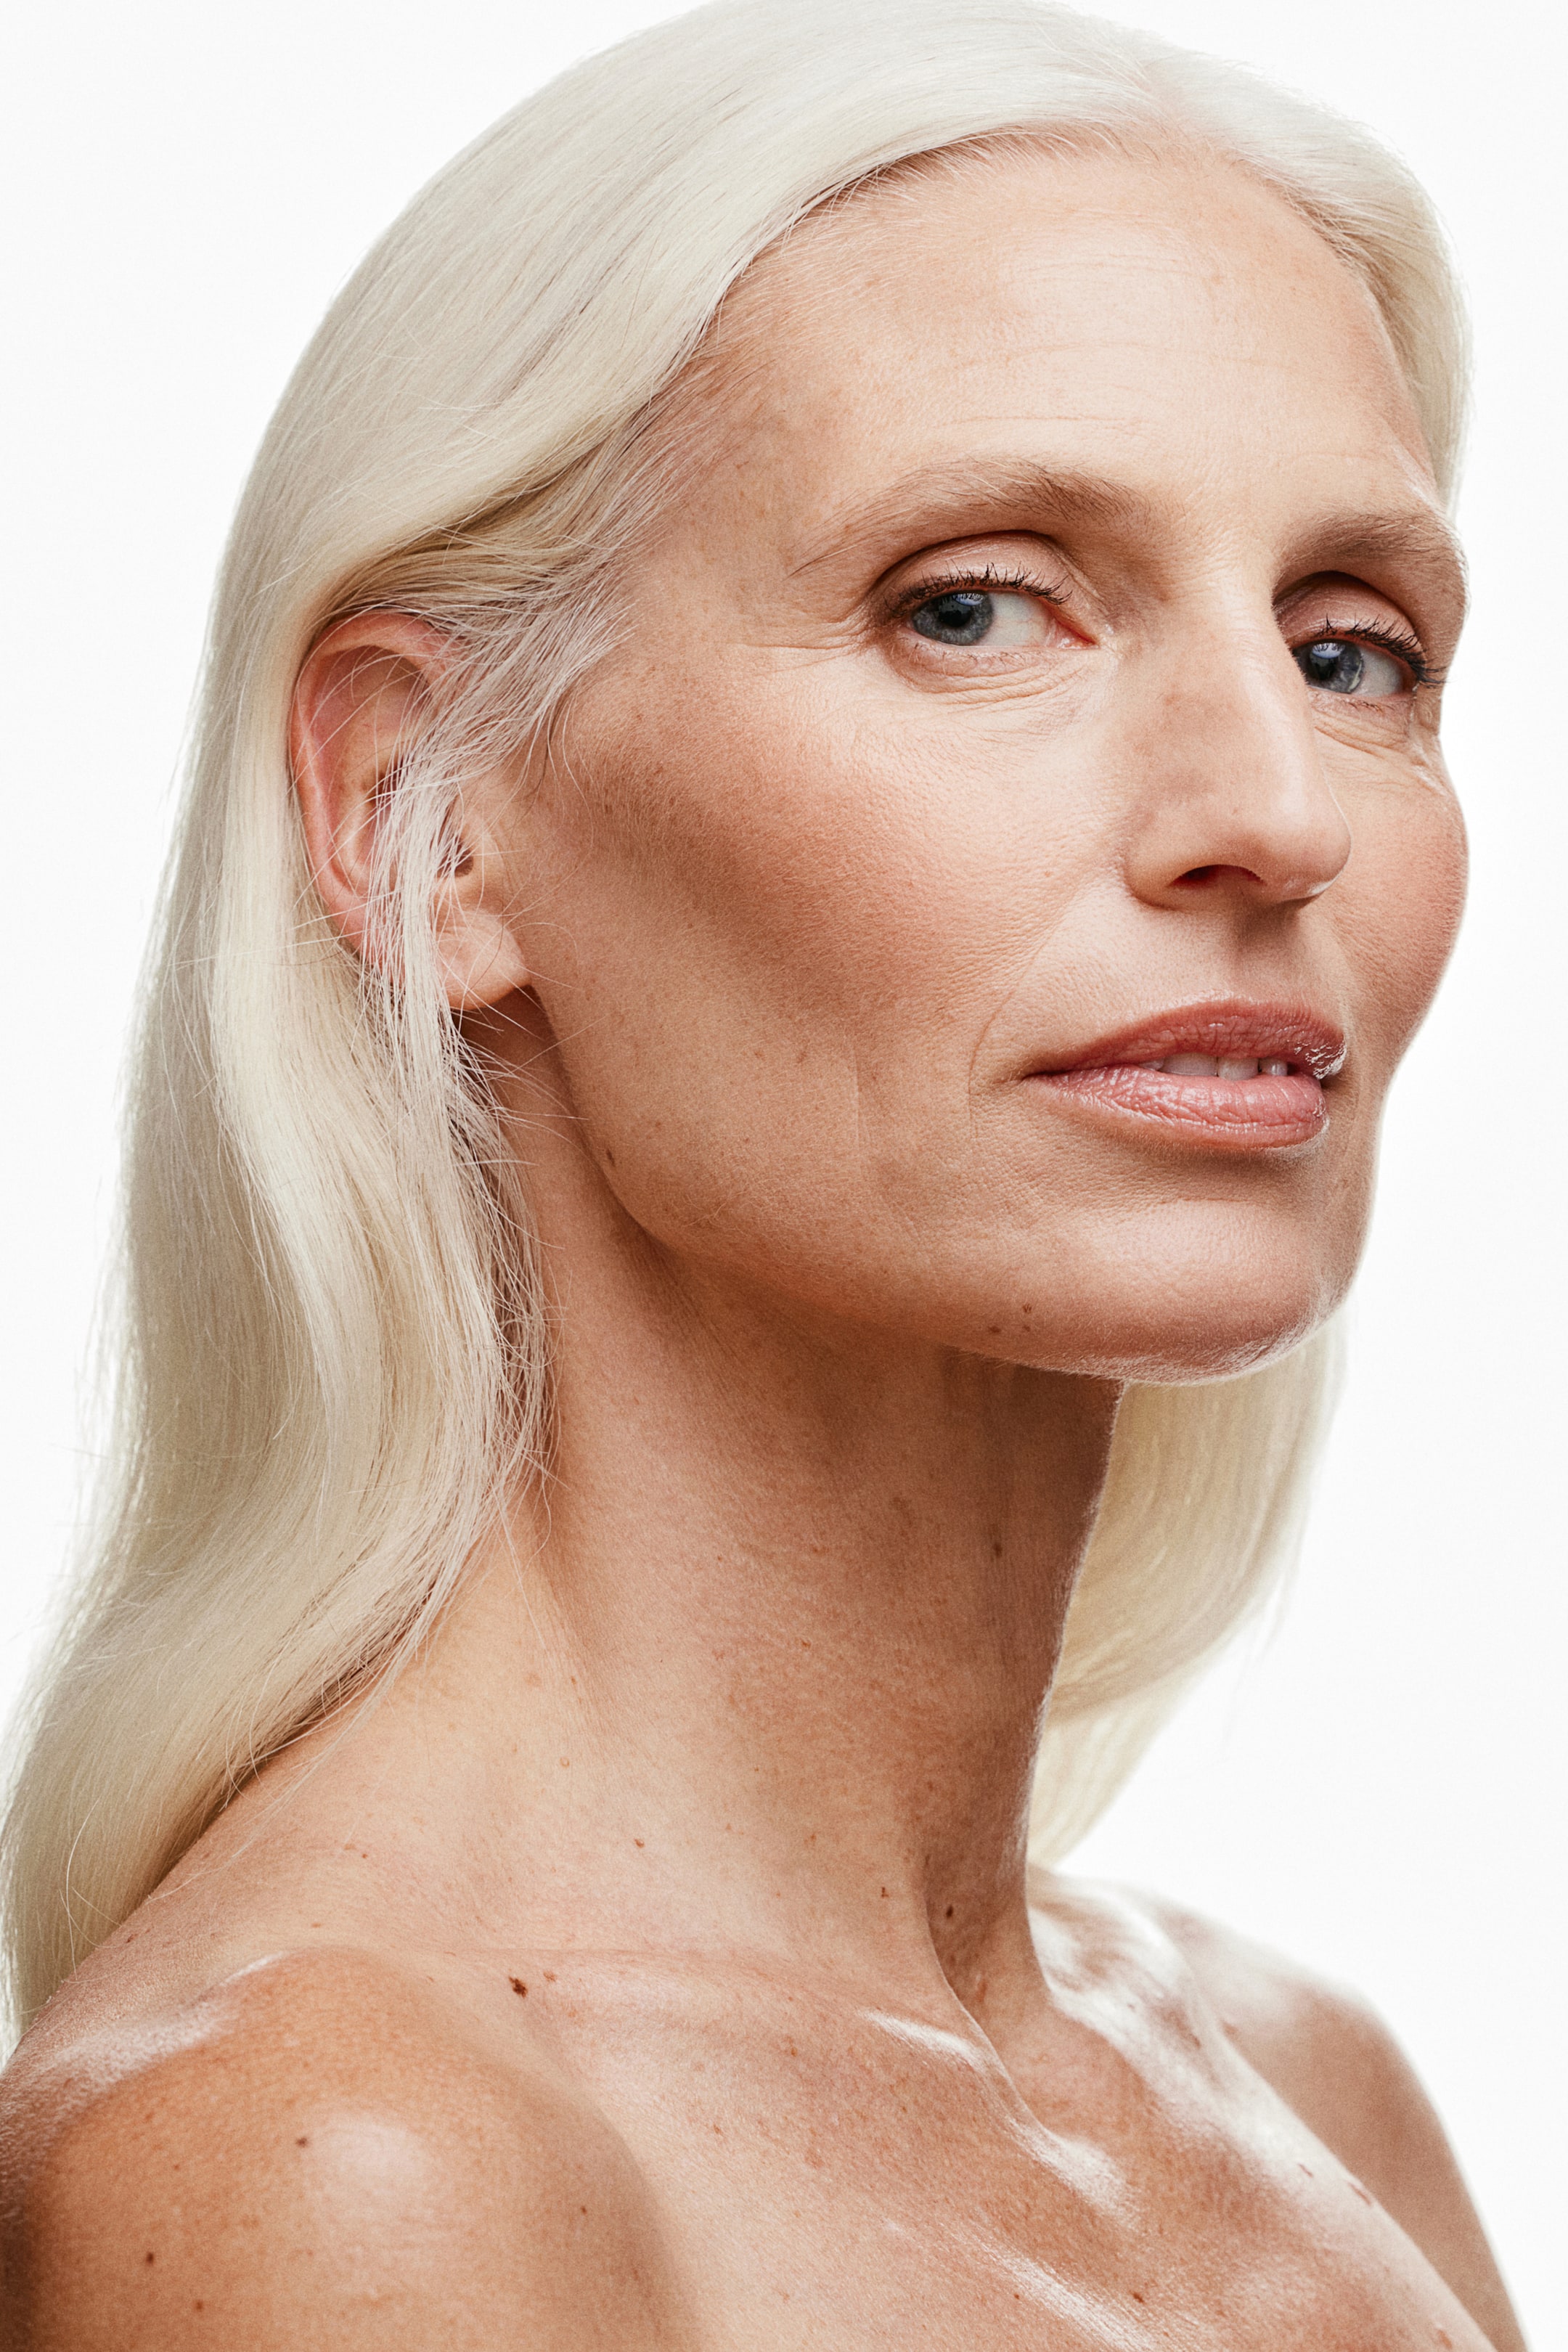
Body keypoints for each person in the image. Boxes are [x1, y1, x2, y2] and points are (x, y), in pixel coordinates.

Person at [0, 0, 1527, 2341]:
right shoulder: (353, 2162)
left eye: (1353, 652)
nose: (1277, 809)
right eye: (971, 606)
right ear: (422, 818)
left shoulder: (1314, 2109)